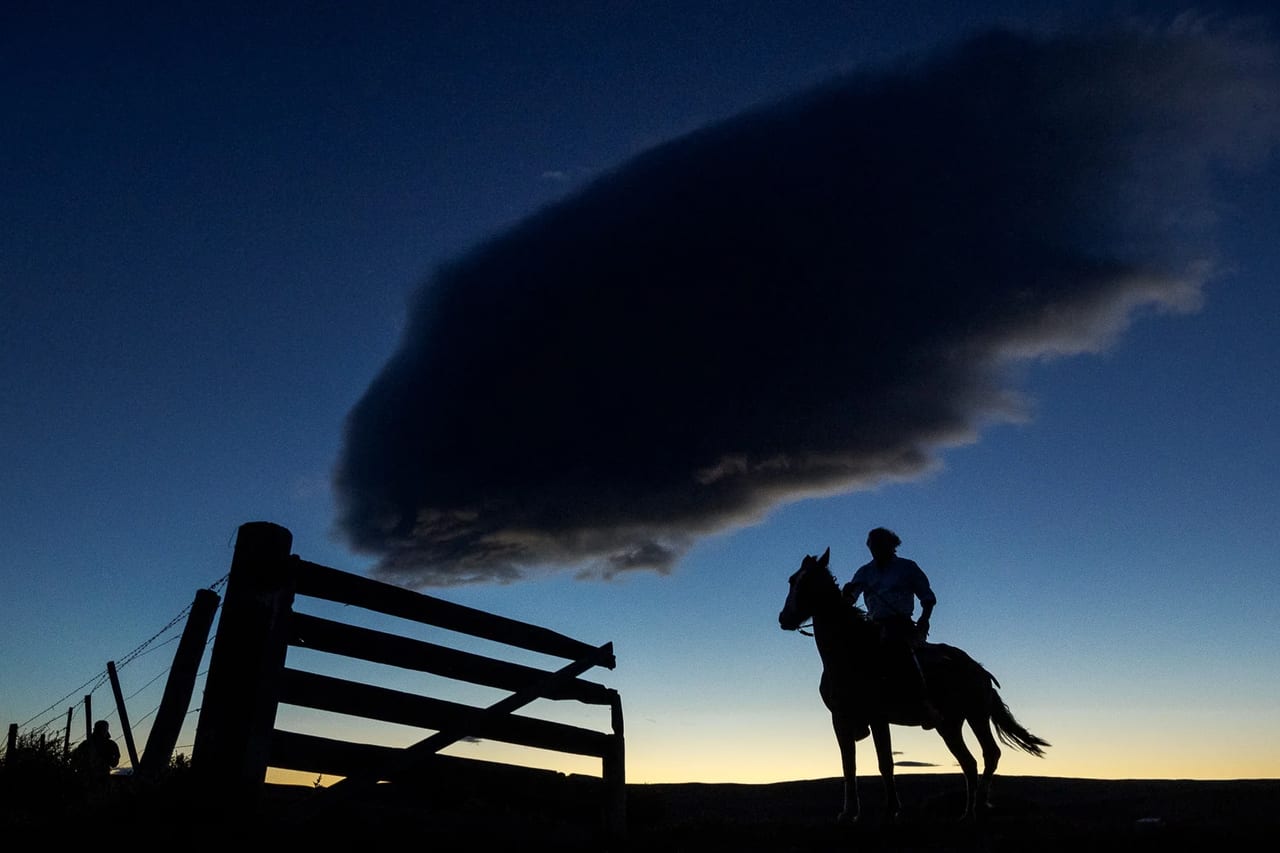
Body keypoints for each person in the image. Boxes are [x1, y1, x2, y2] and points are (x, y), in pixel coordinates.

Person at [842, 527, 943, 729]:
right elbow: (851, 597)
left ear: (892, 545)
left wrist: (925, 619)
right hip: (873, 626)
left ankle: (924, 704)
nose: (875, 549)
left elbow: (927, 597)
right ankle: (857, 714)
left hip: (900, 624)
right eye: (872, 546)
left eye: (879, 545)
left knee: (900, 652)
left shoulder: (907, 567)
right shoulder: (864, 572)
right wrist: (847, 595)